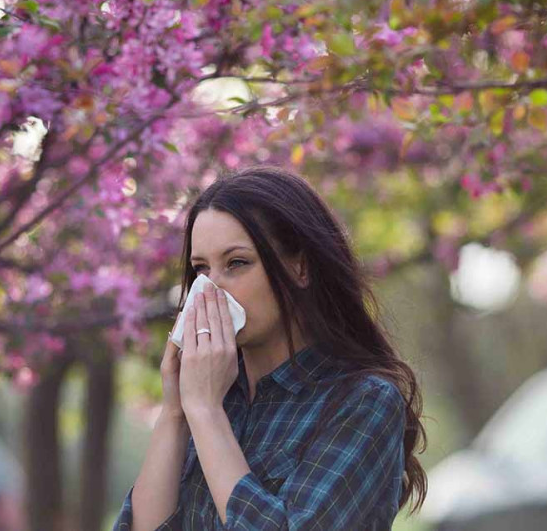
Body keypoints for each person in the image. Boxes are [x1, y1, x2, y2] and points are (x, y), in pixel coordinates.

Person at [113, 165, 427, 530]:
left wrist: (206, 413)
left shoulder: (361, 402)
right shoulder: (211, 399)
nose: (210, 291)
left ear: (301, 268)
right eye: (201, 270)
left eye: (236, 263)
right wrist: (176, 411)